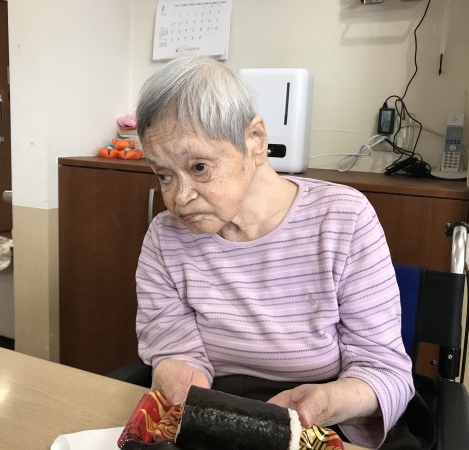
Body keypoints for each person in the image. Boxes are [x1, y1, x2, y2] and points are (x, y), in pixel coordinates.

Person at [134, 56, 414, 449]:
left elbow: (385, 372)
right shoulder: (165, 237)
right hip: (216, 413)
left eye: (198, 167)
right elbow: (174, 348)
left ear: (255, 140)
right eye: (164, 175)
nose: (179, 198)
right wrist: (178, 375)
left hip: (323, 422)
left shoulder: (343, 219)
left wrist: (326, 403)